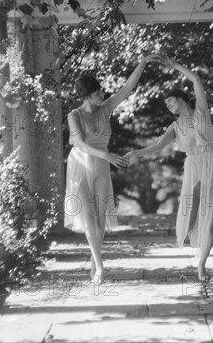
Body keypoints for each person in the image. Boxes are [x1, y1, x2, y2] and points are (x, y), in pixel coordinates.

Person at [125, 57, 213, 281]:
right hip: (194, 165)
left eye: (171, 101)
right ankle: (192, 240)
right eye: (167, 105)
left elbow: (196, 79)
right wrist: (138, 154)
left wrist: (175, 67)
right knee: (195, 211)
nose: (169, 106)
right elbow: (159, 145)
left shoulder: (201, 111)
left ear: (181, 99)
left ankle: (202, 263)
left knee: (212, 217)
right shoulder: (175, 126)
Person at [64, 55, 159, 284]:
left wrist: (144, 61)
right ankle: (100, 267)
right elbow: (79, 143)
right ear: (86, 95)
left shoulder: (105, 109)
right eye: (97, 93)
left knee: (99, 218)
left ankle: (94, 256)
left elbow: (128, 87)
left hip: (100, 166)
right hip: (80, 164)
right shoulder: (74, 115)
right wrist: (106, 154)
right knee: (88, 217)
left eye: (101, 92)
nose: (102, 95)